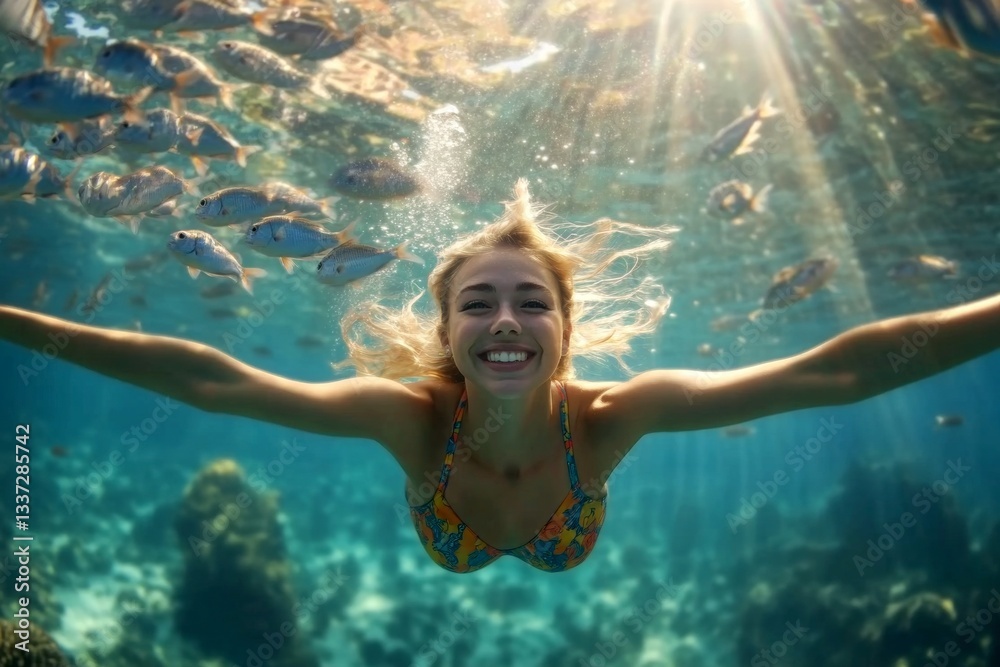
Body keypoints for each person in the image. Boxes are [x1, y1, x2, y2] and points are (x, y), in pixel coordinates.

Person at [2, 179, 998, 574]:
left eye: (532, 302)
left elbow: (837, 372)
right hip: (464, 534)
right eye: (478, 304)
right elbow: (214, 381)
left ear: (566, 328)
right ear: (446, 332)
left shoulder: (614, 416)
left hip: (543, 531)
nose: (507, 319)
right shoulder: (409, 421)